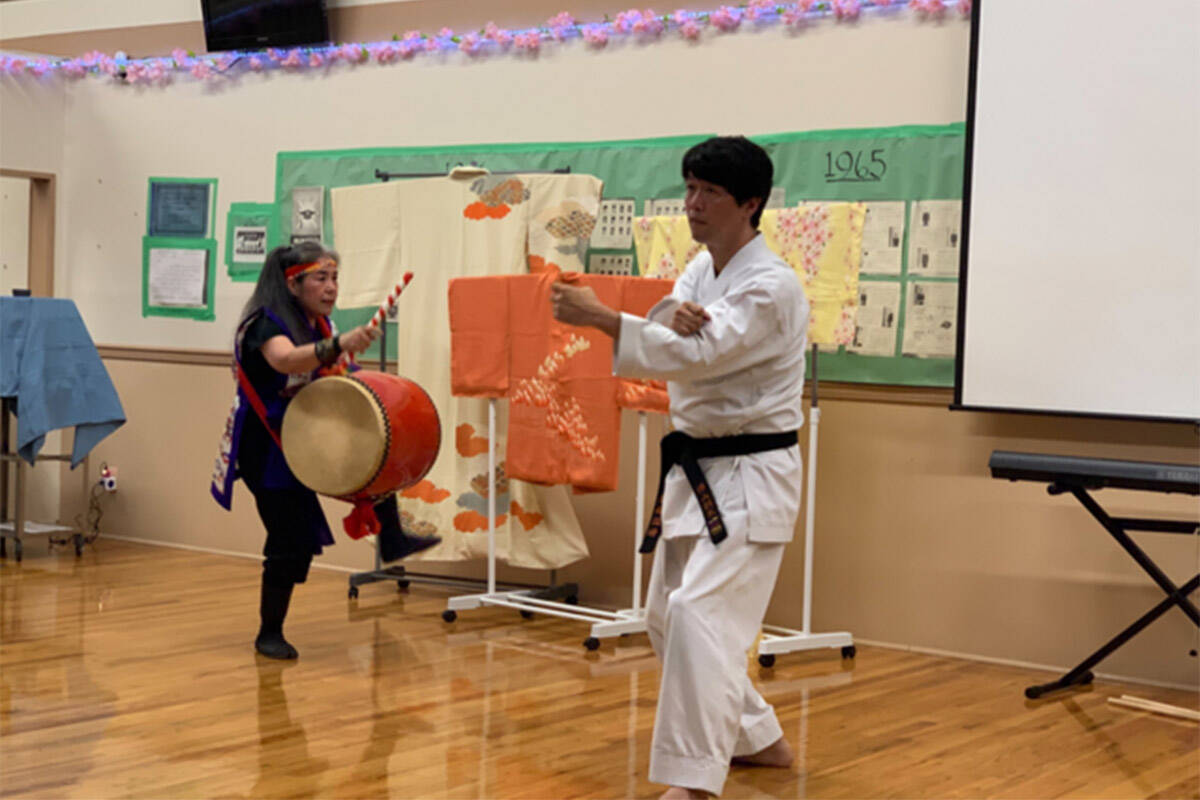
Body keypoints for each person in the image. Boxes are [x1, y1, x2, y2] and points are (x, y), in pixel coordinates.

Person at [550, 136, 807, 799]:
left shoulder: (771, 285)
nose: (692, 203)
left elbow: (699, 352)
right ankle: (761, 739)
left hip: (752, 474)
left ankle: (693, 782)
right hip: (696, 467)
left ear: (749, 203)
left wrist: (603, 317)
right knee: (666, 612)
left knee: (701, 613)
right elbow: (674, 323)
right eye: (688, 187)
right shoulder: (701, 268)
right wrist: (664, 315)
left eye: (709, 192)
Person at [211, 241, 439, 660]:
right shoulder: (264, 324)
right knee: (289, 538)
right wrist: (337, 346)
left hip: (307, 433)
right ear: (292, 283)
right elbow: (284, 361)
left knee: (375, 456)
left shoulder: (318, 324)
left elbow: (330, 373)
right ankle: (269, 632)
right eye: (321, 277)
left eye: (334, 277)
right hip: (268, 444)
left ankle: (390, 536)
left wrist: (346, 358)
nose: (332, 287)